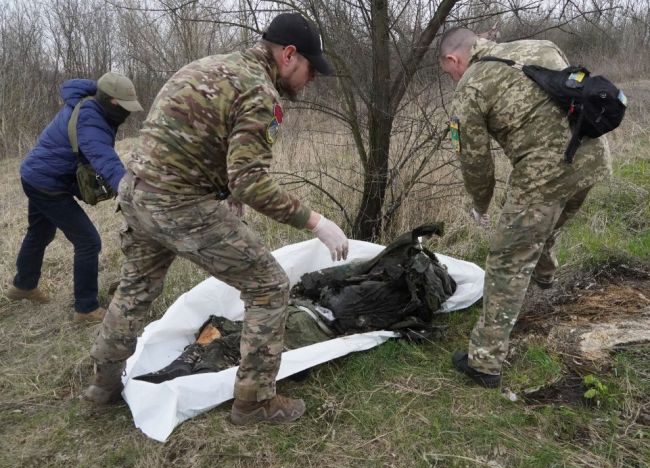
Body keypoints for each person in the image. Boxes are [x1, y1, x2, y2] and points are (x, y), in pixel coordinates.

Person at [83, 12, 349, 426]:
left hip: (137, 193)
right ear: (289, 55)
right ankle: (255, 402)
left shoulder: (206, 66)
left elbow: (194, 141)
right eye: (310, 69)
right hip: (179, 204)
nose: (310, 80)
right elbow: (251, 182)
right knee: (269, 286)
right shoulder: (260, 93)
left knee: (135, 291)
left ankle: (103, 384)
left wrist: (224, 192)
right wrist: (315, 222)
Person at [438, 28, 611, 388]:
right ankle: (545, 277)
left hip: (545, 174)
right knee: (541, 227)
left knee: (507, 259)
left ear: (454, 59)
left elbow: (475, 162)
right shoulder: (539, 46)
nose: (452, 78)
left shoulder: (470, 87)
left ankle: (484, 362)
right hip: (593, 157)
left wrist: (480, 204)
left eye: (448, 71)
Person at [132, 224, 456, 384]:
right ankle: (193, 363)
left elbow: (320, 281)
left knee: (244, 338)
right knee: (245, 340)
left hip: (304, 316)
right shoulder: (408, 297)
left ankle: (193, 362)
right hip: (309, 321)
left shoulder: (381, 275)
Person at [7, 72, 143, 323]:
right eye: (124, 107)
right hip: (47, 183)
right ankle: (86, 308)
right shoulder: (91, 119)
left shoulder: (91, 100)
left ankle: (23, 286)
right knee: (89, 241)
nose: (127, 113)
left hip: (36, 173)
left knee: (40, 233)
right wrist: (130, 192)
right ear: (112, 102)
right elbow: (105, 159)